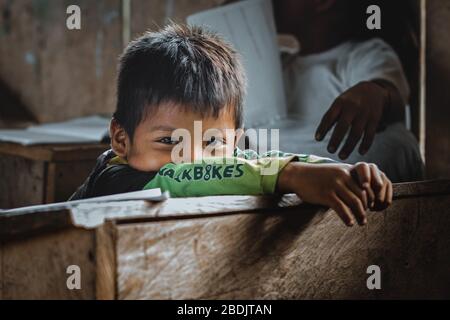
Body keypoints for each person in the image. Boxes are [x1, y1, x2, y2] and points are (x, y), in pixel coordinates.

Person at [70, 24, 393, 227]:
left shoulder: (224, 164)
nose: (193, 158)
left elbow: (245, 165)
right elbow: (182, 178)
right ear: (121, 140)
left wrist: (339, 172)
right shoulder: (115, 179)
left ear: (236, 140)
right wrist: (290, 174)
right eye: (169, 142)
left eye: (212, 143)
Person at [271, 0, 424, 182]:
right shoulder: (279, 63)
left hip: (321, 165)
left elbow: (391, 95)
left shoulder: (362, 55)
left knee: (398, 143)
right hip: (274, 159)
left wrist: (375, 93)